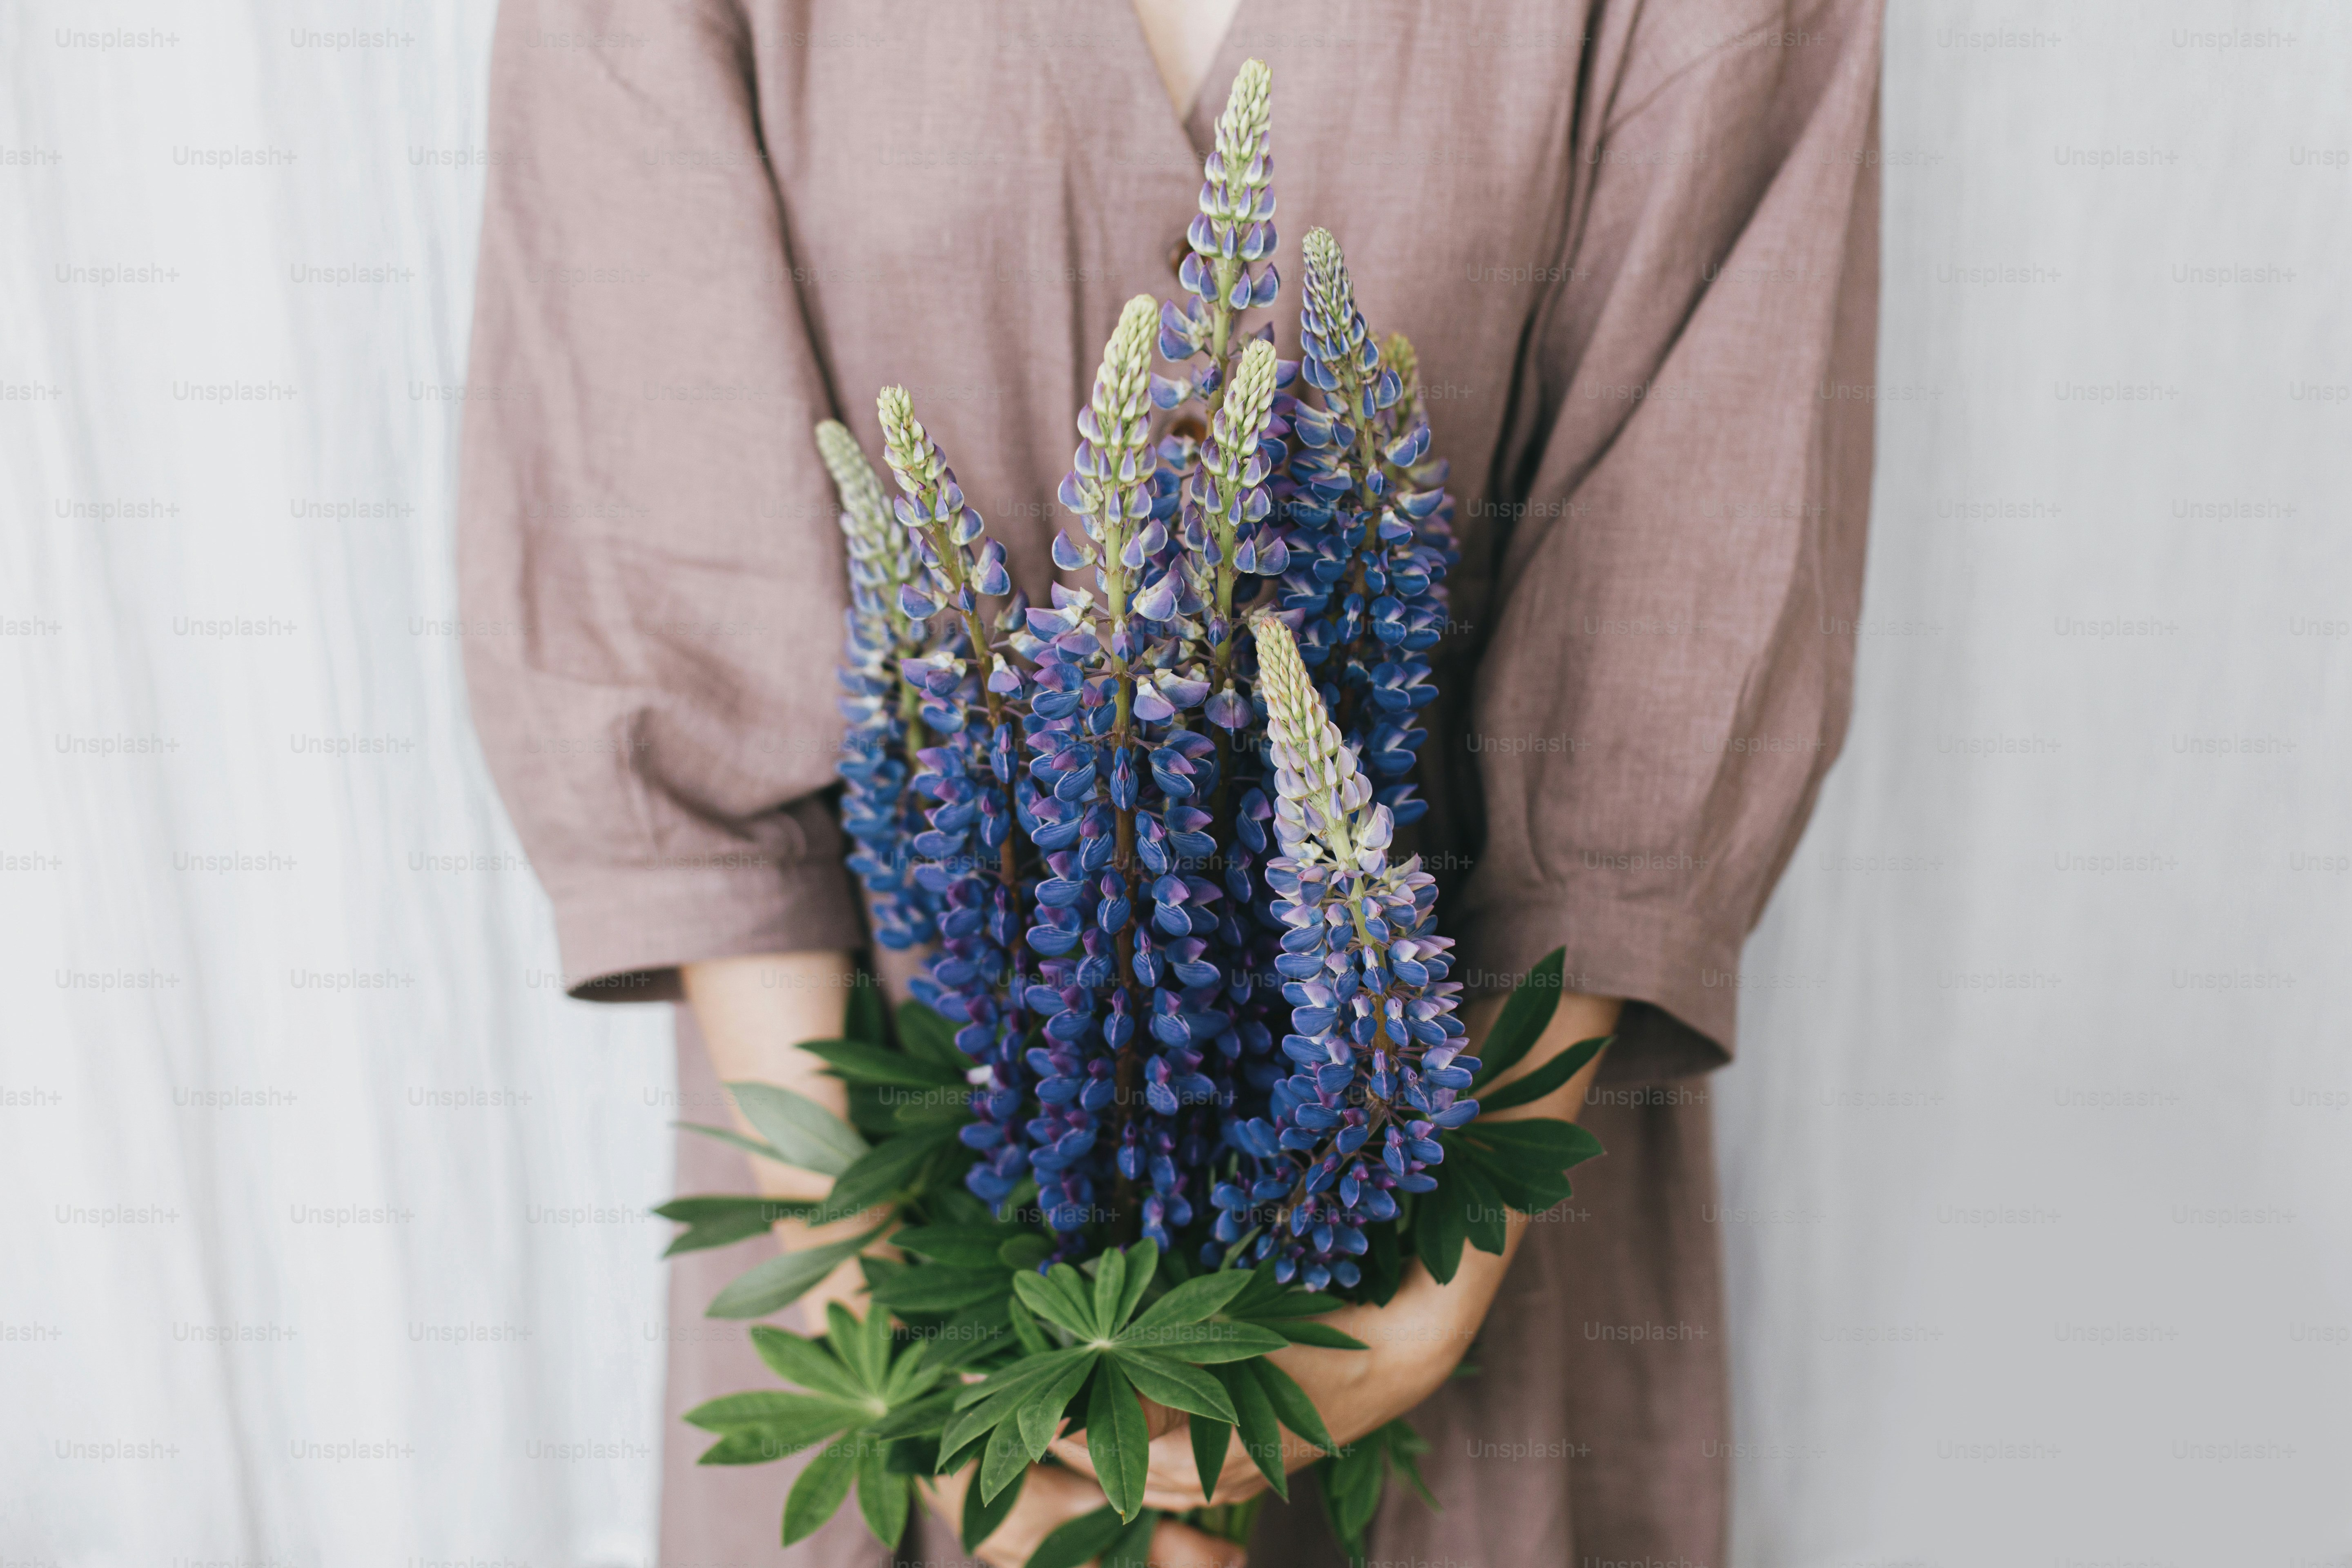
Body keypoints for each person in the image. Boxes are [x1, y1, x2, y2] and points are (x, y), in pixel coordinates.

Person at [458, 1, 1882, 1562]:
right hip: (893, 1212)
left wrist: (1407, 1318)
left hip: (1466, 1186)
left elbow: (1684, 579)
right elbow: (660, 577)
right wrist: (945, 1383)